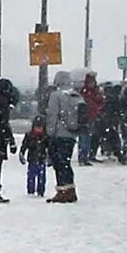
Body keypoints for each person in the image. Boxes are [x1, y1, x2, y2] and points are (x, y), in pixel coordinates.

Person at [41, 69, 83, 202]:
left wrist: (49, 133)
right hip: (71, 134)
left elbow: (52, 115)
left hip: (59, 134)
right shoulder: (76, 95)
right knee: (66, 163)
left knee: (59, 163)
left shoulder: (56, 95)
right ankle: (70, 190)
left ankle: (62, 191)